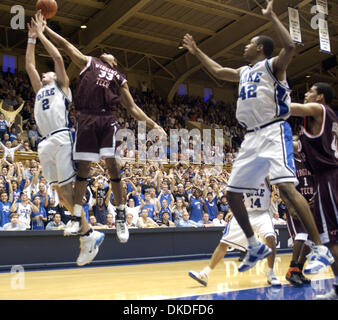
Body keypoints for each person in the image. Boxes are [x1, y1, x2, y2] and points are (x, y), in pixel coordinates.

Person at [182, 0, 333, 273]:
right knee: (232, 193)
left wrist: (272, 16)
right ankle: (253, 244)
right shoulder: (243, 72)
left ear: (260, 48)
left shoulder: (273, 66)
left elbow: (290, 47)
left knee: (287, 189)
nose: (245, 47)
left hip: (274, 129)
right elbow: (217, 71)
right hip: (251, 136)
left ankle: (321, 247)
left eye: (250, 43)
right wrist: (197, 51)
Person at [43, 18, 166, 245]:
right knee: (83, 170)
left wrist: (154, 125)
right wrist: (45, 29)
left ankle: (120, 216)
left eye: (111, 56)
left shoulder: (120, 79)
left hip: (107, 118)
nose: (108, 55)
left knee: (114, 168)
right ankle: (77, 216)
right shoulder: (90, 62)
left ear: (115, 63)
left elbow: (133, 108)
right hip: (87, 117)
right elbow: (66, 47)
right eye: (105, 54)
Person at [25, 12, 104, 266]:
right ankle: (90, 234)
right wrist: (30, 40)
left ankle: (88, 235)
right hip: (44, 142)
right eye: (44, 73)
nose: (45, 73)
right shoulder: (40, 90)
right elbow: (28, 66)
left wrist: (41, 34)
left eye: (48, 72)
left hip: (61, 137)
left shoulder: (62, 86)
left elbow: (58, 57)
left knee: (68, 191)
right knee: (60, 196)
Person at [290, 82, 337, 299]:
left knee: (331, 240)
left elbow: (293, 108)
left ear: (320, 97)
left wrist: (269, 98)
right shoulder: (324, 120)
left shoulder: (319, 109)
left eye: (310, 91)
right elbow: (297, 145)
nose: (306, 93)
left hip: (329, 177)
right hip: (326, 180)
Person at [189, 178, 281, 287]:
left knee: (270, 238)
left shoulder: (266, 174)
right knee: (224, 242)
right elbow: (235, 196)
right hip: (245, 212)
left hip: (262, 214)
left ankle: (270, 273)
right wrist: (231, 211)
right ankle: (205, 273)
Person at [285, 147, 313, 287]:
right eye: (294, 140)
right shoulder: (289, 162)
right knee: (301, 235)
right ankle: (291, 270)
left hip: (311, 205)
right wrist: (290, 206)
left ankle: (298, 270)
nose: (297, 143)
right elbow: (284, 187)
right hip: (297, 205)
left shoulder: (309, 161)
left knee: (309, 242)